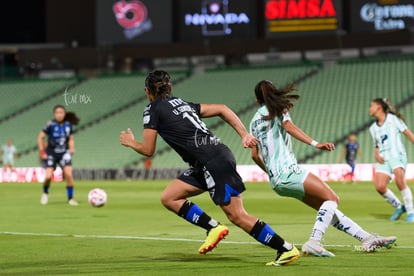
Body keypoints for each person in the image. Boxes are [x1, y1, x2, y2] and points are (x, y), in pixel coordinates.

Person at [119, 70, 300, 266]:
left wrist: (131, 142)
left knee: (237, 215)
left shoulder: (152, 109)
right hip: (210, 159)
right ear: (170, 88)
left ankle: (285, 248)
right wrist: (244, 135)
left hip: (212, 162)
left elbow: (147, 149)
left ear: (147, 91)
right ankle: (213, 227)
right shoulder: (183, 104)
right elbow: (222, 108)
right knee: (170, 197)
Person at [249, 80, 397, 257]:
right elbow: (289, 127)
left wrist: (271, 173)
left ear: (257, 101)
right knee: (332, 198)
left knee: (326, 207)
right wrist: (315, 143)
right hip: (289, 171)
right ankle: (314, 241)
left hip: (277, 181)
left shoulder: (253, 122)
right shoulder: (278, 109)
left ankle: (367, 238)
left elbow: (254, 156)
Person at [369, 98, 414, 223]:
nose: (369, 109)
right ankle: (399, 207)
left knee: (400, 181)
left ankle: (411, 212)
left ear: (379, 107)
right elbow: (376, 144)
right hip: (383, 158)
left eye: (371, 106)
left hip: (396, 155)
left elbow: (408, 133)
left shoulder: (393, 119)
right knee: (380, 186)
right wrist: (376, 154)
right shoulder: (373, 128)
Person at [37, 105, 80, 206]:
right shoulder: (50, 124)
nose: (59, 115)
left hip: (64, 153)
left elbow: (71, 139)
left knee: (69, 175)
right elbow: (40, 138)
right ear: (54, 114)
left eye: (61, 112)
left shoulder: (68, 125)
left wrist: (72, 148)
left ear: (64, 114)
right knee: (48, 176)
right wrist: (42, 151)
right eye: (57, 113)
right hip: (51, 152)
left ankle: (70, 198)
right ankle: (45, 193)